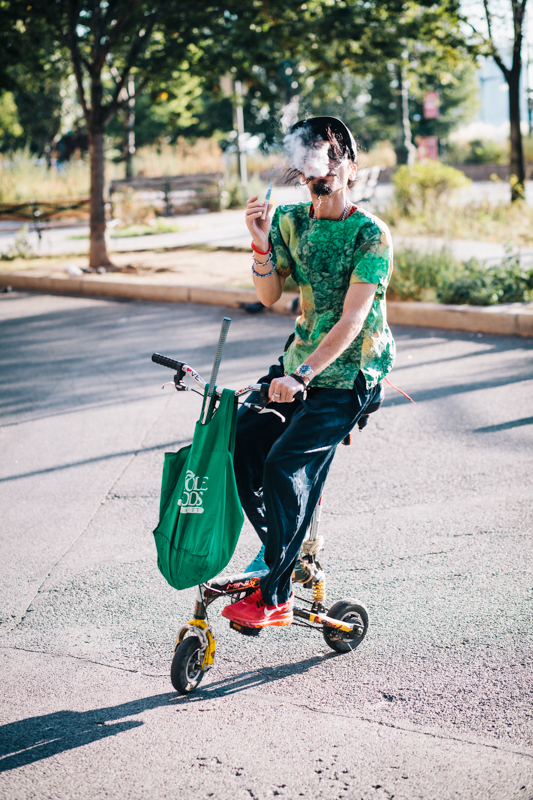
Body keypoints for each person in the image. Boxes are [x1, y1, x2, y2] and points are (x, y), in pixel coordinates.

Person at [221, 116, 395, 630]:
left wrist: (303, 377)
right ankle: (283, 553)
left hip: (350, 374)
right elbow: (271, 296)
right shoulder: (291, 221)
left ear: (349, 168)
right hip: (298, 363)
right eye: (311, 161)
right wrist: (259, 242)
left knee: (283, 465)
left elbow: (353, 318)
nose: (321, 171)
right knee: (237, 442)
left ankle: (272, 590)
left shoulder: (371, 234)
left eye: (331, 159)